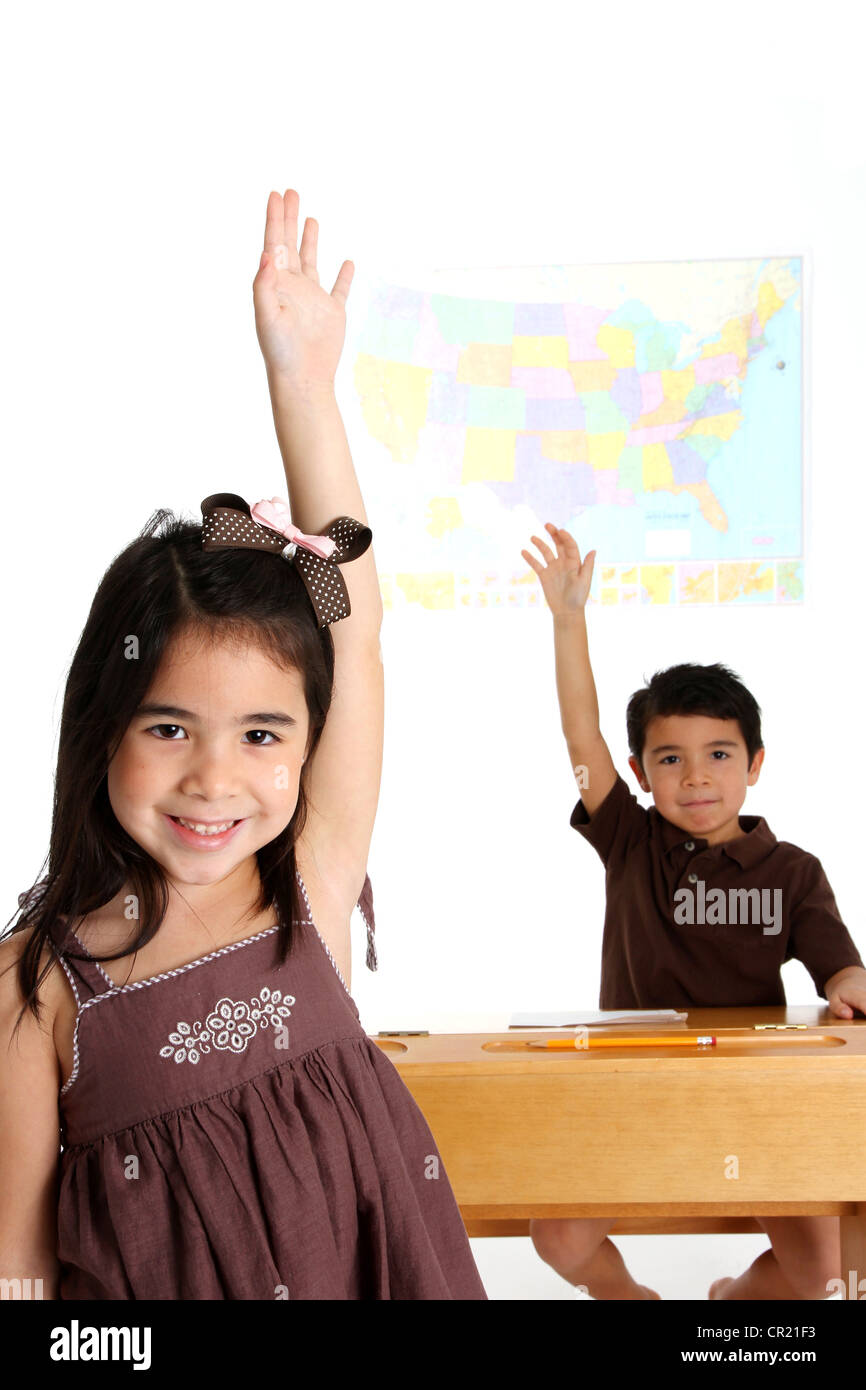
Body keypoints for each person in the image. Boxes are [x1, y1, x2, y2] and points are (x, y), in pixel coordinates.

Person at [0, 188, 487, 1301]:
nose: (214, 777)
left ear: (307, 744)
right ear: (100, 728)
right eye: (168, 726)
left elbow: (354, 639)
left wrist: (303, 387)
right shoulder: (35, 992)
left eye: (261, 732)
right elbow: (19, 1277)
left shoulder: (309, 879)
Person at [521, 522, 866, 1301]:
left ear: (755, 764)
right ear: (642, 772)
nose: (696, 778)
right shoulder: (629, 840)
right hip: (631, 1086)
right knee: (559, 1234)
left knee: (831, 1269)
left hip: (756, 1098)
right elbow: (582, 735)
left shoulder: (791, 870)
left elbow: (837, 963)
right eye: (670, 759)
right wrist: (568, 620)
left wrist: (851, 981)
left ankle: (729, 1306)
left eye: (719, 754)